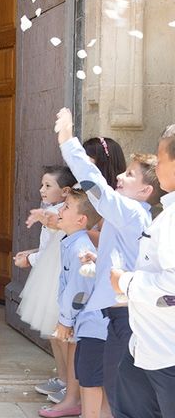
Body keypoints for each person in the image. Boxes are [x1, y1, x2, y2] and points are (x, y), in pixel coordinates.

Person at [56, 107, 163, 415]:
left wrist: (67, 140)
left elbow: (95, 186)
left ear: (145, 190)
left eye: (129, 174)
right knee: (116, 396)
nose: (119, 175)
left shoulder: (129, 212)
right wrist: (100, 258)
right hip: (117, 316)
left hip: (125, 317)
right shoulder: (130, 216)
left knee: (120, 396)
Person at [111, 124, 175, 418]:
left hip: (168, 352)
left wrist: (124, 281)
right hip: (144, 346)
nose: (157, 166)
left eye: (161, 161)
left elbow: (171, 288)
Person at [39, 189, 105, 418]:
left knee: (90, 377)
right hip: (85, 323)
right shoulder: (71, 241)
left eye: (66, 207)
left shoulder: (80, 248)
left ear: (81, 219)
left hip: (92, 324)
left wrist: (65, 321)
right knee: (86, 374)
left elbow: (79, 291)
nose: (60, 210)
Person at [13, 166, 76, 402]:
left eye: (48, 185)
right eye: (42, 185)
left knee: (61, 335)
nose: (42, 189)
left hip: (57, 275)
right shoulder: (52, 210)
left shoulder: (62, 214)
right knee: (53, 333)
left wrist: (29, 259)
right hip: (48, 274)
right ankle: (62, 379)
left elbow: (57, 249)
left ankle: (71, 385)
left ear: (65, 191)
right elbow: (48, 247)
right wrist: (32, 252)